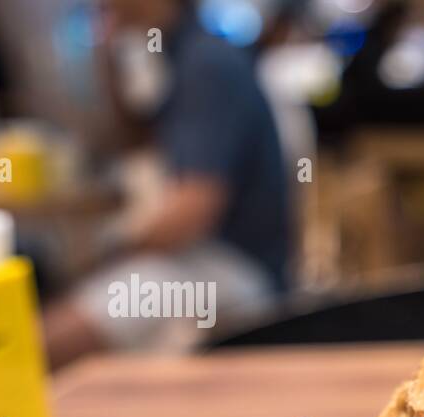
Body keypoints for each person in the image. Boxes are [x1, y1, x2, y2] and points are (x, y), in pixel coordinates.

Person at [42, 0, 291, 367]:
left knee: (77, 322)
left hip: (241, 272)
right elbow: (128, 141)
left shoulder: (208, 64)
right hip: (203, 257)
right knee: (112, 289)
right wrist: (107, 59)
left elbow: (193, 209)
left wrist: (111, 253)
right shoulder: (178, 55)